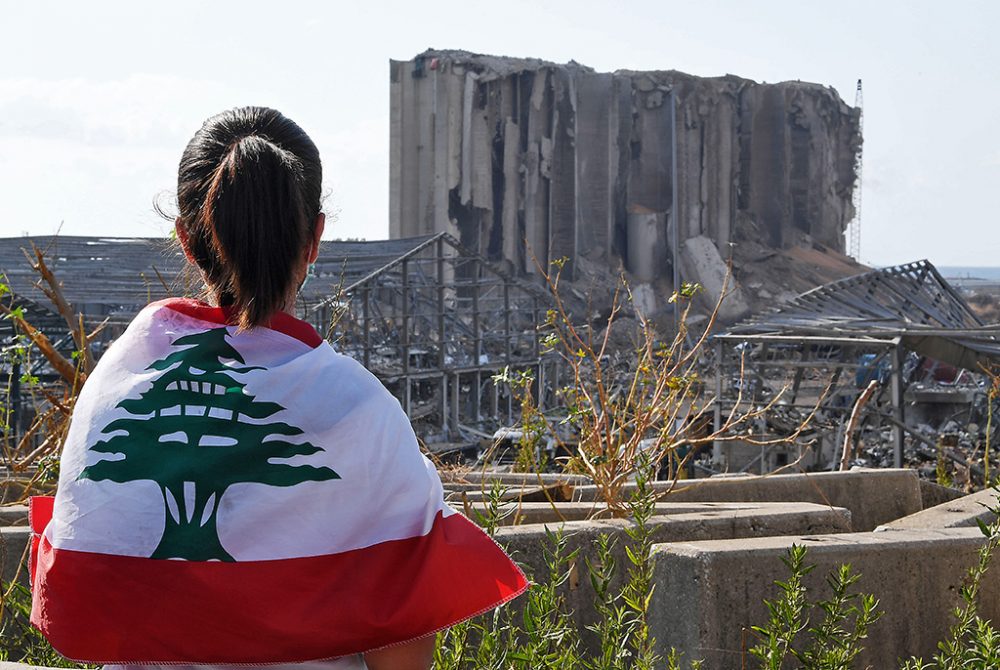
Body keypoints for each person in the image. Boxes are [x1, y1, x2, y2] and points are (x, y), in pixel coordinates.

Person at [29, 107, 527, 670]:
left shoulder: (113, 387)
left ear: (187, 241)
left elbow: (77, 598)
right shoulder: (359, 408)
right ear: (314, 238)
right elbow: (403, 655)